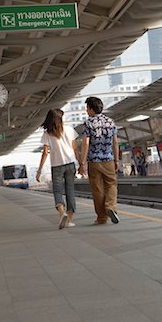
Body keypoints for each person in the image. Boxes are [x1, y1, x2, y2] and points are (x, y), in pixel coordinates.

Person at [36, 109, 80, 229]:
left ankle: (62, 213)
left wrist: (39, 170)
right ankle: (70, 220)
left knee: (58, 191)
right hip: (70, 164)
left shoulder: (47, 133)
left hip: (56, 166)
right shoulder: (69, 130)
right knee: (70, 190)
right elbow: (75, 149)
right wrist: (81, 164)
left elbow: (45, 153)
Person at [79, 97, 119, 225]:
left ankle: (102, 218)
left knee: (97, 189)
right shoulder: (110, 122)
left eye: (87, 108)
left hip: (94, 161)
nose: (86, 111)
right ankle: (110, 207)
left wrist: (82, 162)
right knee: (111, 184)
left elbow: (86, 142)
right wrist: (116, 159)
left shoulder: (88, 123)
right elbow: (115, 142)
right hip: (108, 159)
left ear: (91, 109)